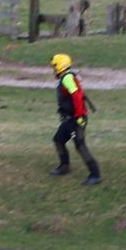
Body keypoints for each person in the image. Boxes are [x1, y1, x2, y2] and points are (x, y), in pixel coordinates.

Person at [48, 53, 102, 186]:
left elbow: (77, 96)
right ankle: (64, 166)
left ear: (61, 65)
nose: (53, 69)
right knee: (58, 140)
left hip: (76, 118)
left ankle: (95, 175)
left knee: (80, 145)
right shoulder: (65, 78)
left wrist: (79, 116)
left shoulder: (67, 78)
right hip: (68, 118)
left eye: (54, 66)